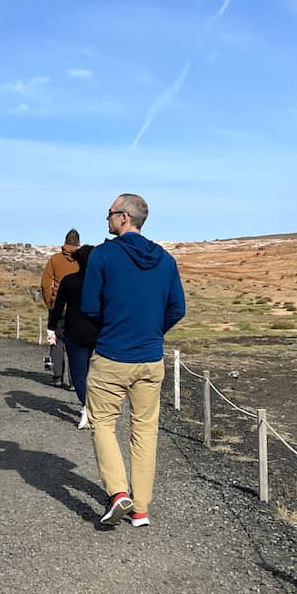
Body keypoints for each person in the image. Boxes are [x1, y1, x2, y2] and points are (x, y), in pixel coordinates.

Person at [81, 194, 185, 530]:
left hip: (111, 356)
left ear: (124, 218)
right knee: (145, 431)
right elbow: (177, 309)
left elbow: (89, 306)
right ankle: (140, 509)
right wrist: (152, 330)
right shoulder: (166, 260)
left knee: (103, 424)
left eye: (110, 214)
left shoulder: (103, 255)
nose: (107, 219)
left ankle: (118, 493)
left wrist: (114, 328)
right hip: (151, 359)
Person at [46, 244, 100, 429]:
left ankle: (86, 407)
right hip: (99, 334)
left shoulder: (69, 281)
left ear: (77, 260)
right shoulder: (103, 282)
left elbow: (58, 307)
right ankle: (97, 409)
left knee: (78, 373)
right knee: (97, 373)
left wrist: (51, 328)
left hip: (75, 333)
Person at [39, 228, 80, 387]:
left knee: (56, 342)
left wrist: (50, 303)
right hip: (77, 309)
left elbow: (45, 284)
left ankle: (57, 377)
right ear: (78, 243)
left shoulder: (55, 259)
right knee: (75, 343)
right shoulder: (82, 260)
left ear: (64, 242)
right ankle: (75, 381)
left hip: (58, 307)